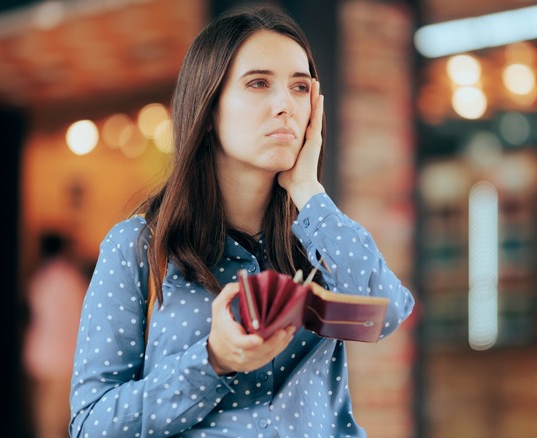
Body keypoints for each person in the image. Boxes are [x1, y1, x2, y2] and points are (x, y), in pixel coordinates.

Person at [69, 5, 415, 437]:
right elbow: (91, 425)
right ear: (208, 108)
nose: (286, 106)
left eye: (300, 87)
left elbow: (384, 313)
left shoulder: (319, 242)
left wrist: (308, 190)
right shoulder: (138, 247)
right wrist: (213, 360)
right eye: (258, 83)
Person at [23, 232, 87, 438]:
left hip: (45, 355)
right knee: (59, 419)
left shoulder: (42, 278)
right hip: (64, 356)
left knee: (47, 418)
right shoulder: (71, 278)